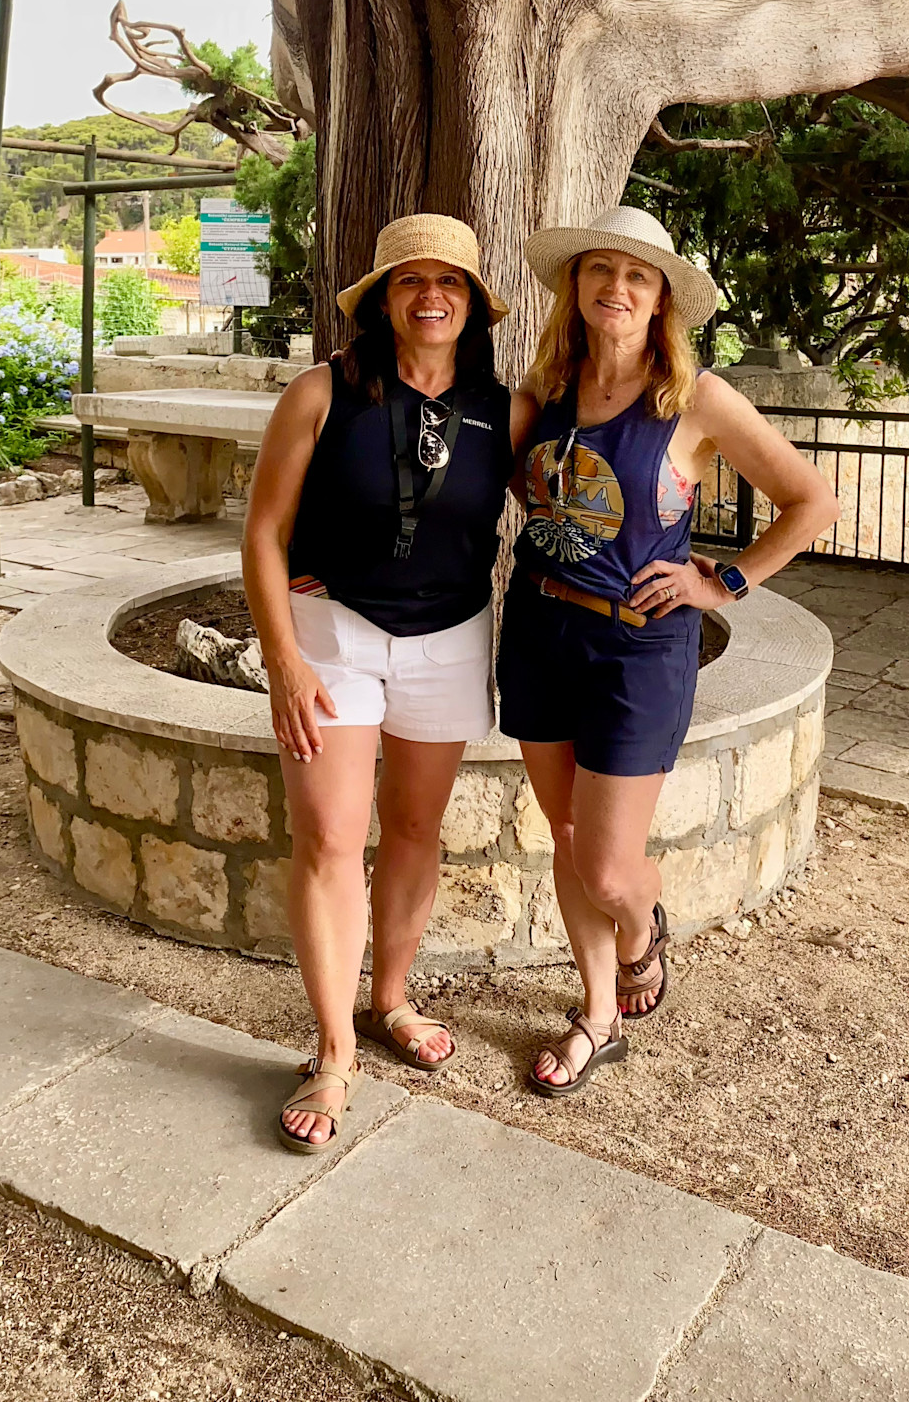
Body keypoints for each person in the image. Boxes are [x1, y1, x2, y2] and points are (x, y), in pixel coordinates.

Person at [497, 205, 839, 1096]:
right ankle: (596, 1016)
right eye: (599, 269)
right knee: (565, 833)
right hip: (539, 629)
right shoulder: (542, 392)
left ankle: (643, 927)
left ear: (661, 302)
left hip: (639, 649)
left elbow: (812, 502)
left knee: (609, 866)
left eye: (637, 276)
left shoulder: (695, 399)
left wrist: (723, 583)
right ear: (575, 286)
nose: (616, 287)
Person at [243, 213, 530, 1154]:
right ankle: (333, 1052)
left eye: (449, 282)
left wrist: (687, 567)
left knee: (413, 828)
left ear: (473, 305)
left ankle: (390, 1001)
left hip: (450, 638)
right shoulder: (322, 392)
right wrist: (283, 659)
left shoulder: (505, 410)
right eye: (410, 280)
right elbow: (263, 533)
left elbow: (577, 491)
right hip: (333, 634)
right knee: (330, 837)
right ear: (382, 301)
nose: (431, 296)